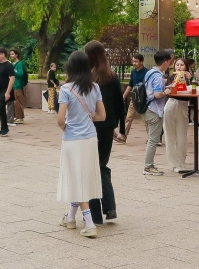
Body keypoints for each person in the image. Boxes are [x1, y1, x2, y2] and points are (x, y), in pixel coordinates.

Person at [56, 50, 106, 238]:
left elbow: (61, 119)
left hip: (73, 140)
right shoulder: (94, 87)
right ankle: (70, 218)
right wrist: (87, 118)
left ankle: (90, 222)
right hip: (90, 138)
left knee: (76, 179)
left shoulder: (67, 89)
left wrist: (67, 127)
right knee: (82, 177)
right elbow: (102, 115)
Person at [84, 41, 123, 223]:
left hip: (90, 126)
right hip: (107, 127)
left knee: (91, 167)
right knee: (101, 165)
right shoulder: (111, 77)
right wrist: (118, 127)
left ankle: (95, 214)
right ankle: (110, 205)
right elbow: (119, 104)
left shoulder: (86, 78)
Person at [142, 50, 171, 176]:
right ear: (165, 62)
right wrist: (166, 92)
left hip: (147, 109)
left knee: (151, 139)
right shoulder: (158, 76)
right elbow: (157, 94)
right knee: (153, 140)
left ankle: (149, 165)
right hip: (154, 110)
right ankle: (148, 166)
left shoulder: (150, 72)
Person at [162, 57, 192, 173]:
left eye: (182, 65)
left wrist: (189, 78)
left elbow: (191, 90)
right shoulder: (171, 77)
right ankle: (173, 164)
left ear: (186, 67)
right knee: (170, 136)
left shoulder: (189, 78)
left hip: (183, 106)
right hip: (171, 104)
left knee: (182, 136)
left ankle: (181, 163)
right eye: (177, 65)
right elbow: (171, 90)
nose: (179, 67)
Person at [0, 47, 15, 136]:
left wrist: (8, 92)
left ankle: (5, 128)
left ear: (3, 55)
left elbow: (12, 79)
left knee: (1, 107)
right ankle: (3, 128)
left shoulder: (8, 65)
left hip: (4, 90)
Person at [121, 53, 147, 140]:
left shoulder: (146, 72)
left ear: (141, 62)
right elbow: (130, 85)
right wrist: (124, 95)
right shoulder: (133, 72)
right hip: (134, 98)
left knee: (146, 119)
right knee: (128, 117)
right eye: (133, 61)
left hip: (143, 99)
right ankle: (123, 136)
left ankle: (152, 138)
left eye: (136, 61)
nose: (134, 63)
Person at [10, 48, 28, 122]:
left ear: (16, 55)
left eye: (13, 54)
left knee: (18, 101)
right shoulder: (13, 64)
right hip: (13, 85)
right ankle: (16, 116)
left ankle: (20, 117)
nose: (11, 55)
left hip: (18, 85)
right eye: (10, 54)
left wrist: (13, 71)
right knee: (14, 102)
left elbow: (20, 74)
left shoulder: (19, 63)